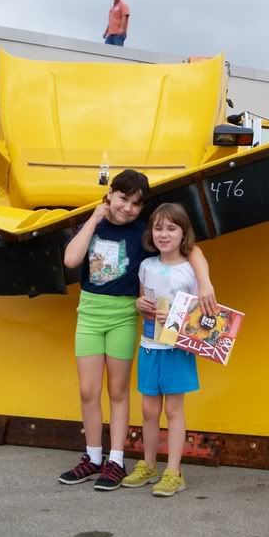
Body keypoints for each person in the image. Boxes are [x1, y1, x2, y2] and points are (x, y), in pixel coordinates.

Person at [59, 172, 215, 491]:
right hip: (89, 314)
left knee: (118, 391)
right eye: (122, 199)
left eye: (135, 204)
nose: (128, 208)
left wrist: (207, 282)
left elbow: (191, 249)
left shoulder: (144, 233)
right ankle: (92, 457)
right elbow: (71, 259)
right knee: (88, 390)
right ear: (110, 195)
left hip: (123, 315)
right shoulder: (95, 225)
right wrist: (95, 216)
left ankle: (116, 460)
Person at [121, 203, 202, 497]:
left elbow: (202, 315)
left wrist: (179, 320)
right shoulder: (146, 266)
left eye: (171, 228)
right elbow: (144, 304)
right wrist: (138, 305)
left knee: (173, 409)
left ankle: (174, 472)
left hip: (176, 349)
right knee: (148, 409)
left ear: (183, 233)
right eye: (158, 228)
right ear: (150, 233)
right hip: (149, 346)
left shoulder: (191, 269)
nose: (164, 234)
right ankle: (149, 464)